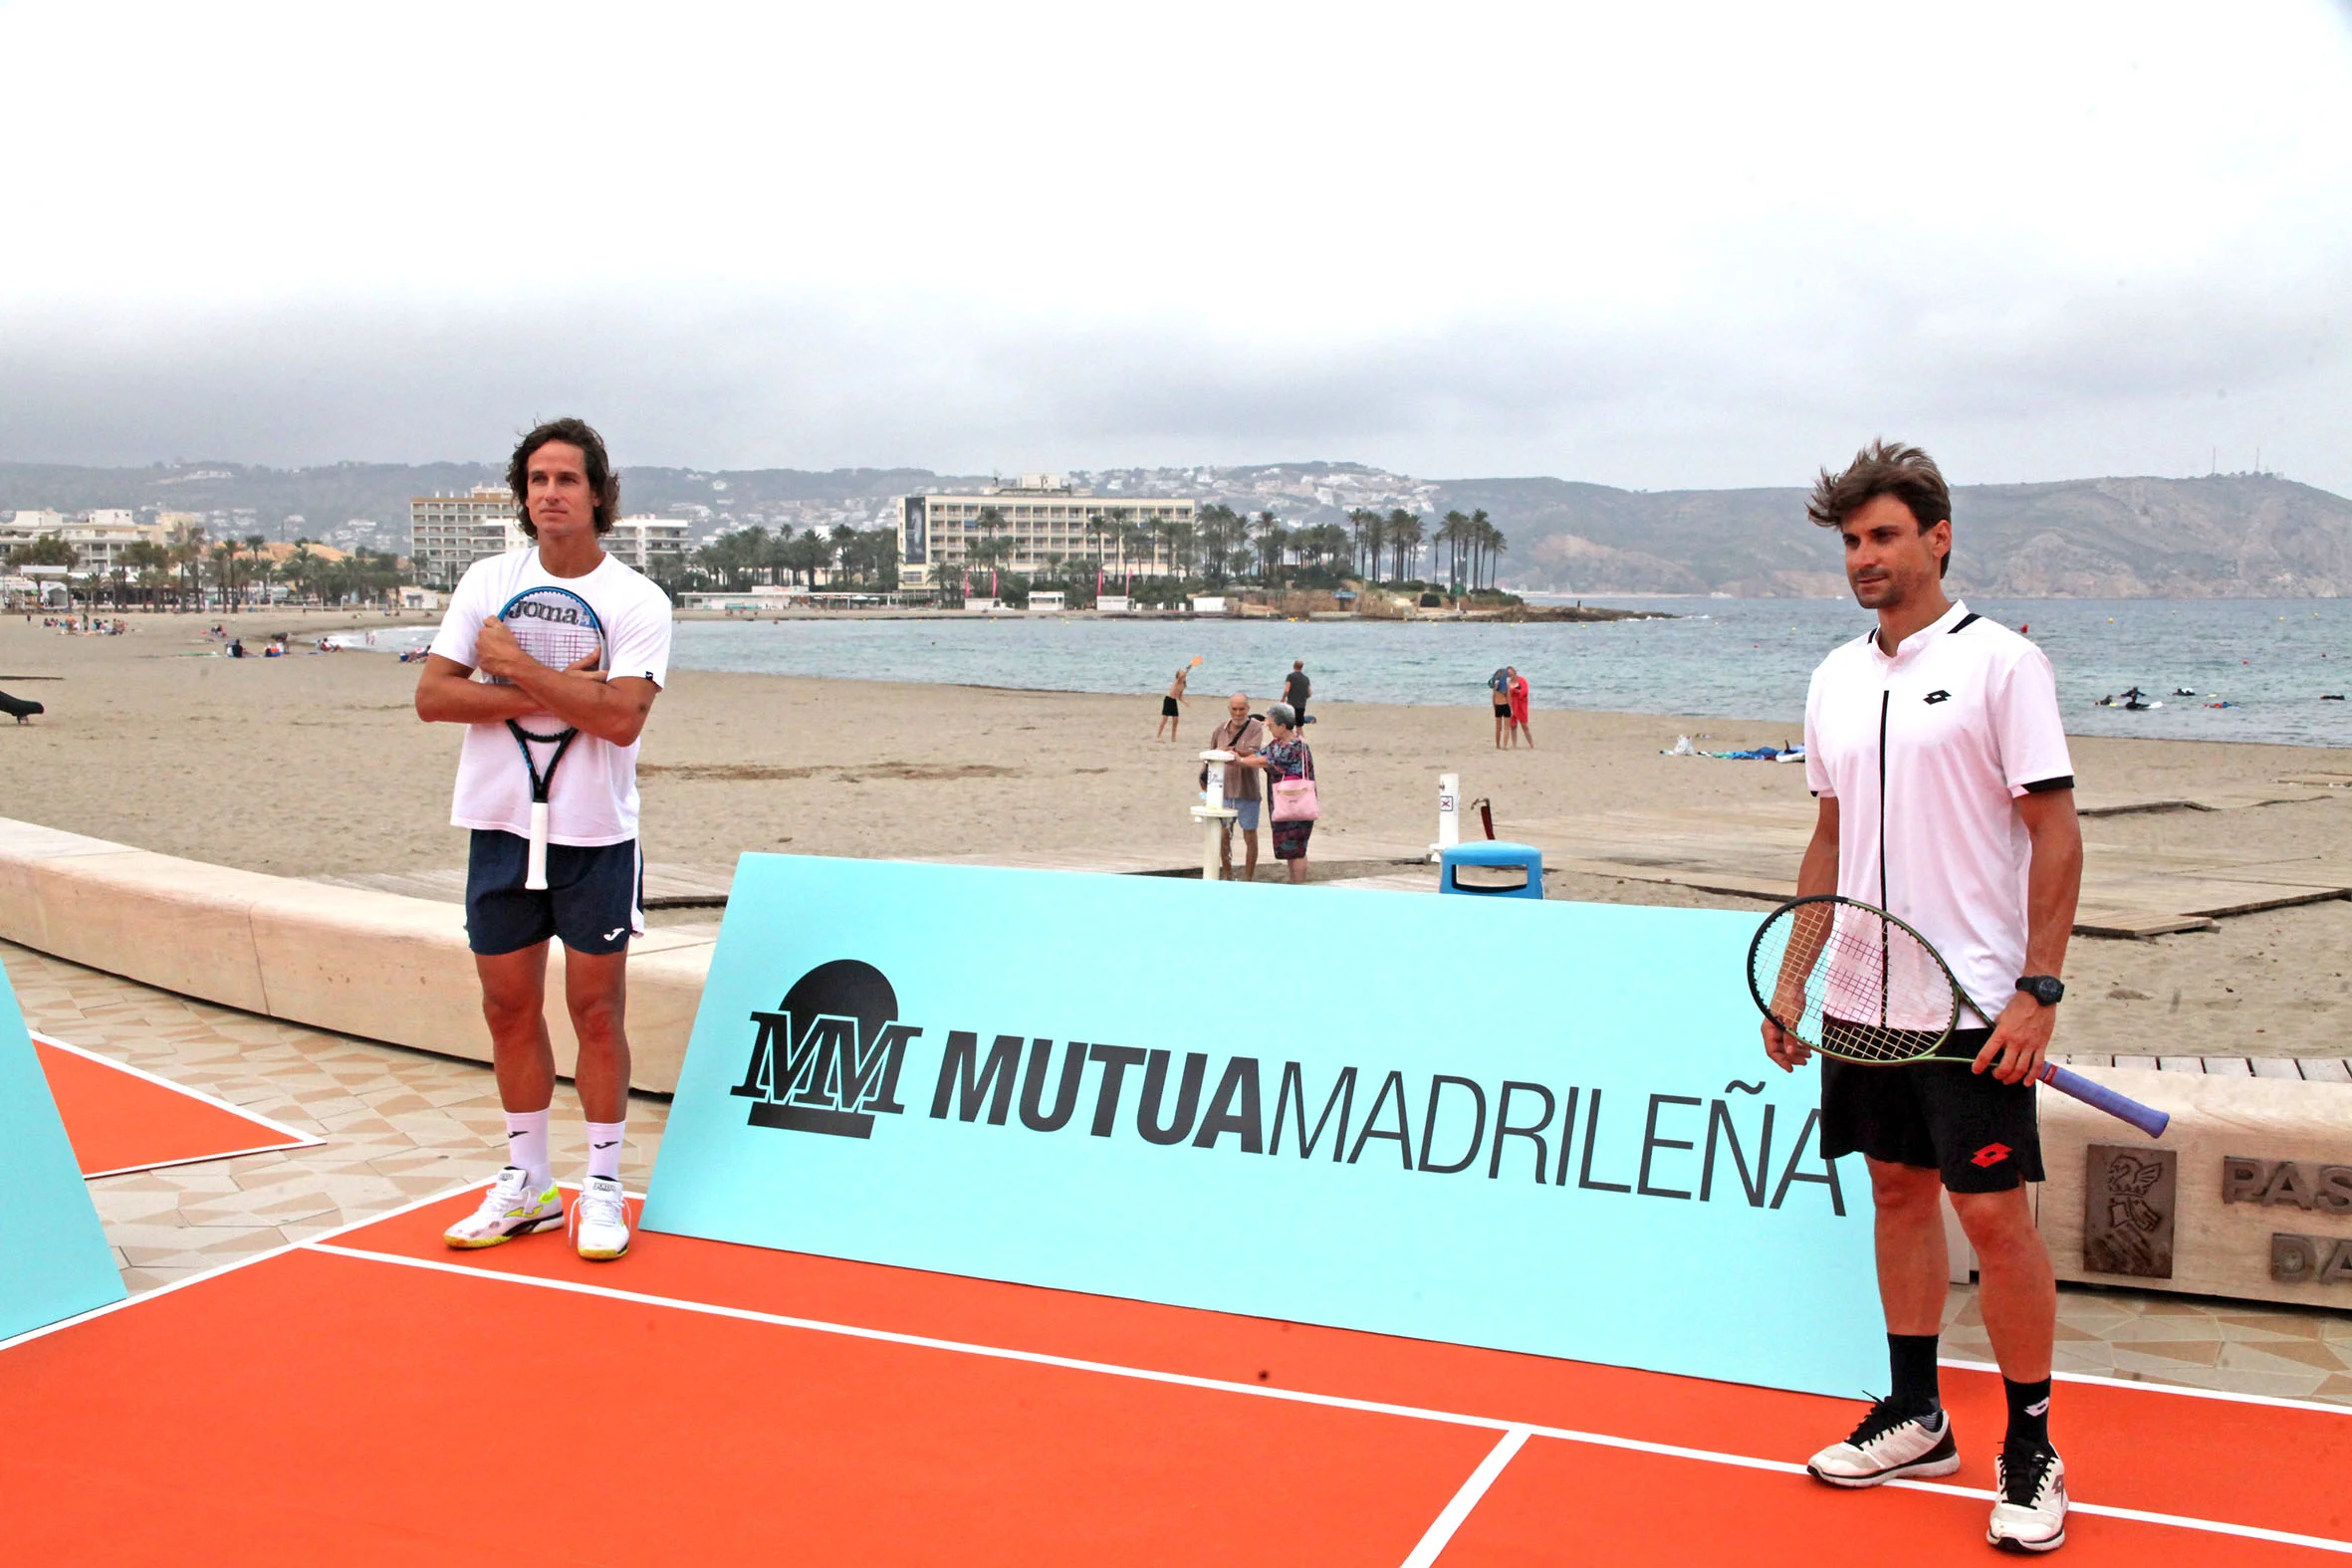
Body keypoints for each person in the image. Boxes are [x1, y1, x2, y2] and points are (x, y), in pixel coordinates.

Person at [1764, 440, 2080, 1554]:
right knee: (1897, 1198)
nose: (1864, 558)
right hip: (1863, 994)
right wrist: (1797, 975)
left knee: (1993, 1219)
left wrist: (2037, 991)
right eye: (1850, 541)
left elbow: (2053, 831)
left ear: (1937, 537)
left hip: (1976, 1004)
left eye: (1884, 536)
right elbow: (1829, 834)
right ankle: (1916, 1412)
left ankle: (2031, 1444)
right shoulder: (1833, 677)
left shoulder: (2002, 665)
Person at [414, 417, 673, 1263]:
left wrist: (515, 666)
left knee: (596, 1013)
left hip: (595, 837)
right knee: (506, 1007)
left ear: (598, 492)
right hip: (498, 829)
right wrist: (561, 691)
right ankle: (528, 1182)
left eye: (566, 479)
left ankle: (601, 1187)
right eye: (536, 480)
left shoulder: (639, 600)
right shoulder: (487, 579)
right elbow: (434, 697)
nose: (550, 493)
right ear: (523, 496)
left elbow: (621, 719)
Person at [1235, 703, 1314, 883]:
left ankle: (1298, 886)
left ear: (1283, 726)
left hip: (1296, 803)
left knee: (1298, 850)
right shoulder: (1278, 743)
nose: (1269, 728)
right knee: (1291, 850)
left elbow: (1266, 760)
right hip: (1284, 803)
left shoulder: (1293, 746)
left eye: (1271, 725)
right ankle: (1294, 884)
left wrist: (1240, 761)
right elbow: (1260, 754)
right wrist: (1239, 758)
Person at [1208, 694, 1267, 881]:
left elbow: (1254, 752)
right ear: (1229, 709)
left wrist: (1233, 752)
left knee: (1249, 834)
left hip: (1247, 791)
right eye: (1235, 709)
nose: (1238, 713)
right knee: (1224, 836)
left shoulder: (1256, 728)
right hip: (1224, 791)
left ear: (1248, 709)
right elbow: (1210, 758)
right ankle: (1227, 874)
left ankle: (1248, 878)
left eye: (1242, 709)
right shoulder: (1219, 730)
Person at [1156, 663, 1191, 742]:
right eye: (1181, 672)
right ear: (1178, 676)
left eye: (1183, 672)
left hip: (1174, 701)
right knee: (1164, 719)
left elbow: (1179, 696)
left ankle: (1173, 738)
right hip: (1168, 700)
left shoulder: (1183, 685)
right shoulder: (1177, 681)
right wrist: (1189, 668)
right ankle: (1158, 736)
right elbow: (1182, 676)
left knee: (1176, 720)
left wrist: (1185, 702)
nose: (1183, 674)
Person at [1487, 665, 1513, 748]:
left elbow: (1493, 698)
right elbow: (1508, 698)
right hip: (1505, 706)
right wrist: (1511, 708)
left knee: (1498, 727)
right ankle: (1504, 745)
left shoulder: (1495, 686)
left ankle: (1497, 745)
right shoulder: (1506, 686)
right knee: (1507, 727)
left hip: (1498, 706)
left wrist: (1495, 708)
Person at [1509, 668, 1533, 749]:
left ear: (1515, 673)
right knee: (1513, 726)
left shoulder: (1522, 680)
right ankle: (1514, 745)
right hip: (1512, 705)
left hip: (1521, 706)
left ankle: (1531, 744)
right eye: (1508, 675)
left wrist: (1516, 691)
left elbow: (1524, 691)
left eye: (1511, 674)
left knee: (1524, 725)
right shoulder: (1508, 683)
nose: (1510, 676)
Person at [1282, 660, 1311, 725]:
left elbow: (1287, 690)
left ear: (1294, 666)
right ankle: (1301, 735)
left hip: (1291, 705)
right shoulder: (1306, 678)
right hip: (1301, 706)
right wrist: (1303, 699)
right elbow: (1309, 693)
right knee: (1299, 727)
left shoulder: (1290, 676)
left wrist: (1283, 698)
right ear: (1302, 667)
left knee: (1289, 726)